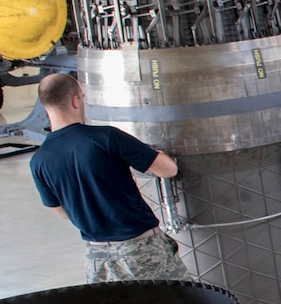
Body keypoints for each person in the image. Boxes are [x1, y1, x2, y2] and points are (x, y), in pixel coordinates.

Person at [29, 71, 190, 284]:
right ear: (75, 101)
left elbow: (61, 211)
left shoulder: (39, 161)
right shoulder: (105, 138)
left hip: (96, 258)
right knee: (182, 301)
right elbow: (168, 169)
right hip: (141, 250)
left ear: (45, 106)